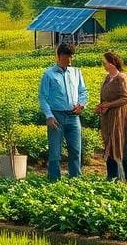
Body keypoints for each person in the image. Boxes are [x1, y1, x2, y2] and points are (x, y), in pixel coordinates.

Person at [38, 42, 87, 181]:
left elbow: (83, 92)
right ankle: (54, 179)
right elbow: (43, 97)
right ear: (59, 56)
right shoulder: (49, 74)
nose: (70, 60)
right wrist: (49, 116)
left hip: (73, 116)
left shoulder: (76, 72)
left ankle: (75, 179)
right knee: (55, 152)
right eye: (67, 56)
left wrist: (81, 105)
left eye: (72, 56)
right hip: (56, 115)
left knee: (76, 150)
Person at [96, 50, 127, 183]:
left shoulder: (122, 77)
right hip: (108, 117)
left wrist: (109, 105)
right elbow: (104, 97)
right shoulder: (107, 78)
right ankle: (112, 177)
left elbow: (126, 99)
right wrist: (101, 106)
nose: (103, 65)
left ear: (112, 63)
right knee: (110, 145)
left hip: (120, 117)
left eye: (105, 62)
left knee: (123, 146)